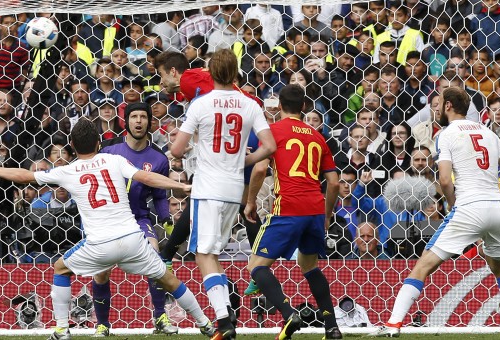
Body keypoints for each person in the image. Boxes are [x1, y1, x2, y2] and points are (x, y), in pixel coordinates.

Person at [0, 118, 215, 340]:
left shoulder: (67, 171)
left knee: (61, 269)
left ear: (71, 145)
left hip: (100, 244)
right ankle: (206, 324)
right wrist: (181, 185)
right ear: (99, 143)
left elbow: (24, 176)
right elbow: (147, 177)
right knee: (167, 278)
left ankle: (62, 328)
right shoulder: (115, 160)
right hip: (133, 239)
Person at [373, 87, 500, 337]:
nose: (435, 109)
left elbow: (445, 179)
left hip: (468, 207)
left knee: (424, 263)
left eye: (438, 104)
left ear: (448, 106)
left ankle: (393, 324)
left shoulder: (446, 134)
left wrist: (453, 203)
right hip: (497, 208)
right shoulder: (489, 133)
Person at [170, 49, 276, 340]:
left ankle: (222, 319)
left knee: (202, 253)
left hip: (208, 187)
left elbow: (177, 150)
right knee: (212, 252)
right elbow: (268, 146)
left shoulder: (200, 104)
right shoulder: (249, 104)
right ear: (236, 73)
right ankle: (226, 315)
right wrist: (243, 160)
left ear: (211, 72)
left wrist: (194, 145)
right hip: (233, 190)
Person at [244, 84, 342, 340]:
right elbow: (333, 183)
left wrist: (251, 201)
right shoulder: (318, 136)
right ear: (304, 107)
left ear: (278, 108)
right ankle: (332, 327)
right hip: (314, 210)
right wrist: (327, 214)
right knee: (309, 266)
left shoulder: (273, 132)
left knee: (256, 265)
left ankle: (289, 313)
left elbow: (258, 170)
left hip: (287, 207)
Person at [91, 103, 177, 336]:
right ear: (126, 121)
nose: (138, 121)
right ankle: (102, 325)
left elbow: (159, 195)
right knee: (102, 271)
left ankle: (160, 317)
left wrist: (166, 218)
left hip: (138, 217)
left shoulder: (158, 159)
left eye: (143, 117)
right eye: (134, 117)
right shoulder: (109, 150)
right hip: (108, 218)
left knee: (154, 257)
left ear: (150, 122)